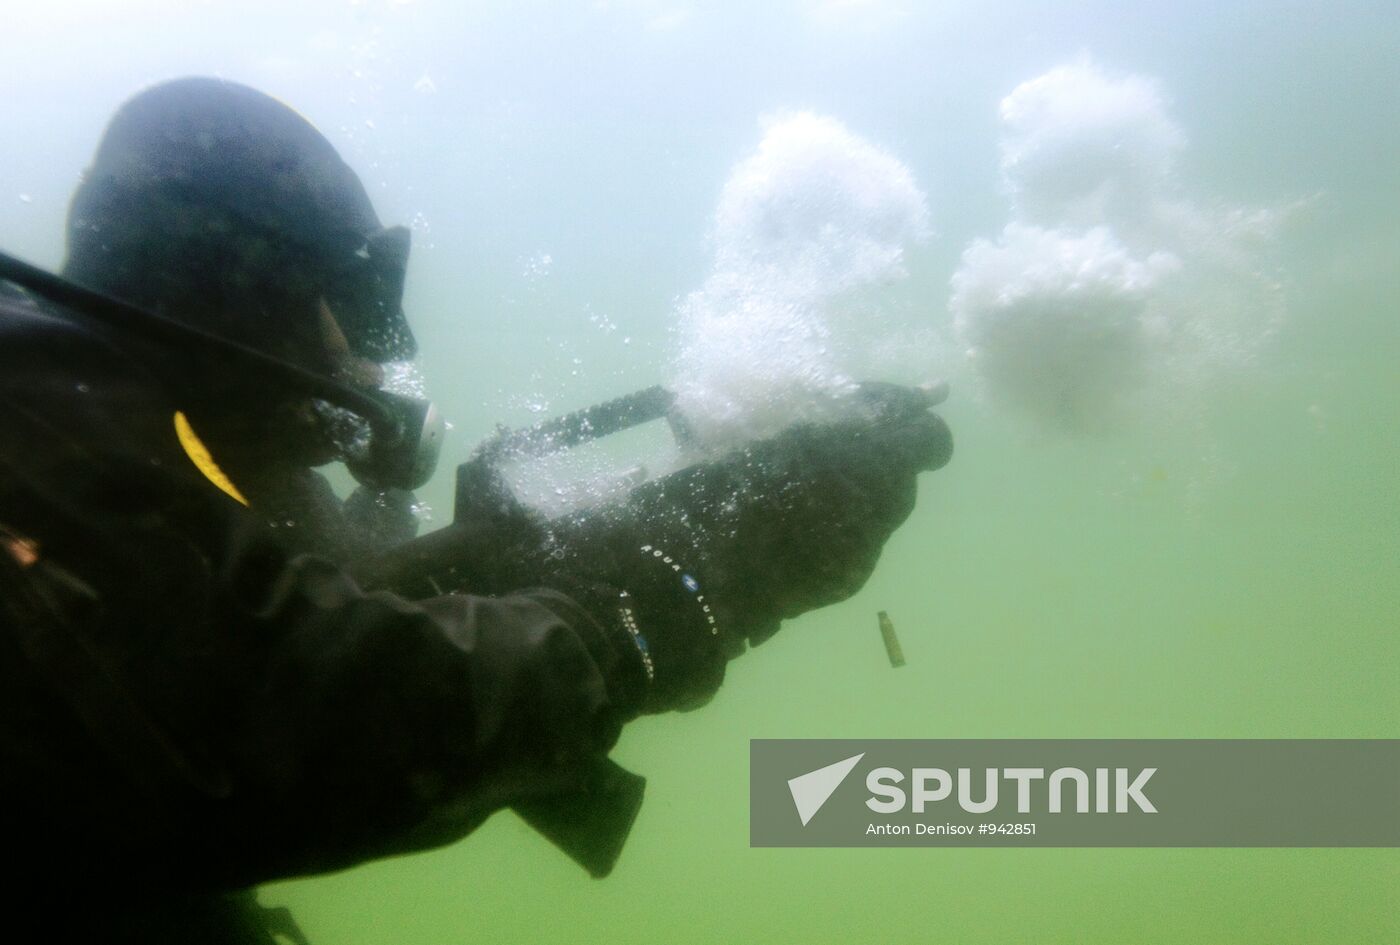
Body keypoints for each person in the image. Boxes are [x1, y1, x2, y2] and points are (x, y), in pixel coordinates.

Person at [0, 77, 951, 942]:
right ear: (236, 286)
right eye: (358, 303)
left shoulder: (144, 462)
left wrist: (641, 536)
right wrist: (639, 615)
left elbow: (346, 620)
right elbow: (249, 716)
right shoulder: (22, 398)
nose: (371, 362)